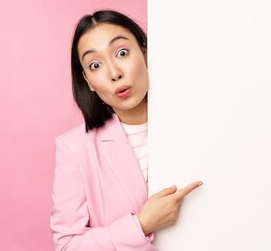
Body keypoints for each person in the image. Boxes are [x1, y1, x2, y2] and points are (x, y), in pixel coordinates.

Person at [50, 10, 203, 251]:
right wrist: (140, 225)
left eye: (122, 53)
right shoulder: (75, 148)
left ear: (144, 51)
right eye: (95, 64)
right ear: (88, 80)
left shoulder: (200, 119)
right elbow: (67, 245)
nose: (114, 73)